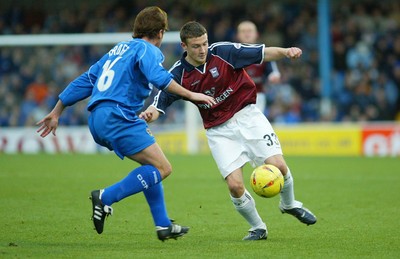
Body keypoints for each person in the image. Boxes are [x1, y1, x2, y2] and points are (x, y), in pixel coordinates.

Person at [36, 7, 215, 241]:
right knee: (163, 169)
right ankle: (105, 197)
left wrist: (57, 110)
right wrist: (193, 95)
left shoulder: (117, 50)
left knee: (152, 167)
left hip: (98, 118)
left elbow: (87, 80)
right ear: (160, 32)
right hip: (118, 116)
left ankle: (162, 225)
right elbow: (159, 78)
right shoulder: (147, 49)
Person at [140, 21, 316, 241]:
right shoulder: (178, 74)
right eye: (196, 46)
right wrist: (150, 114)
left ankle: (289, 204)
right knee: (234, 185)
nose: (203, 49)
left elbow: (262, 52)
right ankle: (258, 228)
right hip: (218, 130)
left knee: (278, 165)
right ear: (184, 46)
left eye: (205, 43)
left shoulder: (223, 51)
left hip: (247, 115)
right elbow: (159, 103)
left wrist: (286, 52)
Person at [236, 20, 281, 115]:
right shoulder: (231, 53)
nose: (246, 34)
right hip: (236, 96)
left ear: (256, 34)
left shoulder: (264, 52)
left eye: (249, 31)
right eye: (243, 31)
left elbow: (274, 72)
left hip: (257, 96)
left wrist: (273, 76)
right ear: (238, 35)